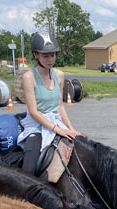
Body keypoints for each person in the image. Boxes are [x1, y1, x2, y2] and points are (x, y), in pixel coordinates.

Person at [17, 31, 81, 175]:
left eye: (53, 55)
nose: (50, 59)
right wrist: (57, 130)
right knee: (30, 167)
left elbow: (60, 106)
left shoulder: (59, 75)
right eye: (45, 55)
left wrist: (71, 128)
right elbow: (33, 112)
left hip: (57, 122)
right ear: (36, 55)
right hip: (37, 125)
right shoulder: (29, 77)